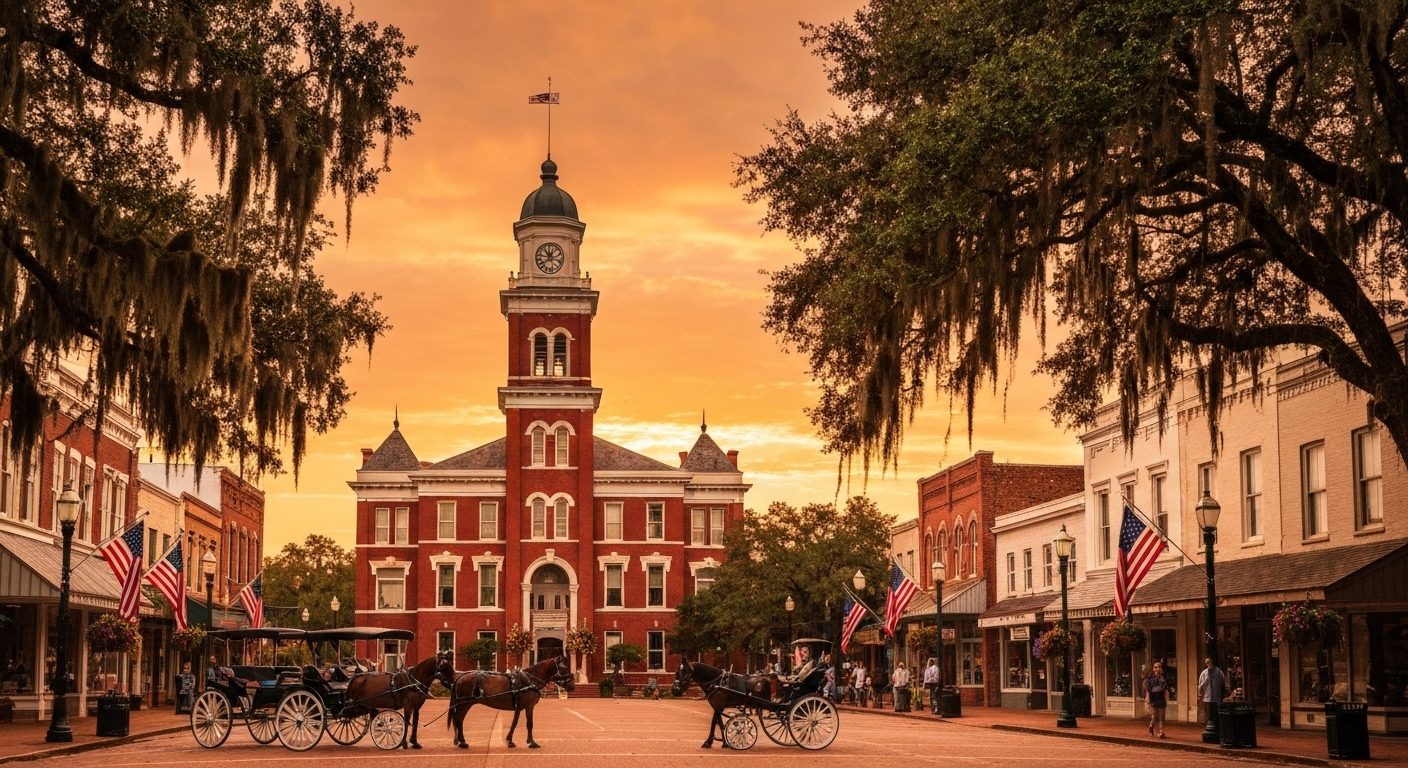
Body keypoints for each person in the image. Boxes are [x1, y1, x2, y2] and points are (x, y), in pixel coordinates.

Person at [1144, 661, 1172, 738]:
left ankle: (1161, 732)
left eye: (1159, 667)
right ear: (1153, 669)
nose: (1158, 669)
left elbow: (1166, 687)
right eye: (1156, 667)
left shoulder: (1163, 678)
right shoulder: (1150, 678)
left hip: (1161, 698)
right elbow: (1148, 688)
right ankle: (1151, 726)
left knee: (1162, 716)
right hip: (1154, 698)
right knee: (1155, 716)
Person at [1198, 657, 1226, 724]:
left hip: (1216, 696)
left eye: (1209, 662)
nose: (1208, 664)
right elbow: (1200, 685)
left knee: (1216, 712)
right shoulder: (1204, 673)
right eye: (1207, 663)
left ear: (1212, 662)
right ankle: (1208, 724)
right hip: (1207, 697)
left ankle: (1216, 724)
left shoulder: (1218, 672)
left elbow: (1222, 682)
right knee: (1209, 713)